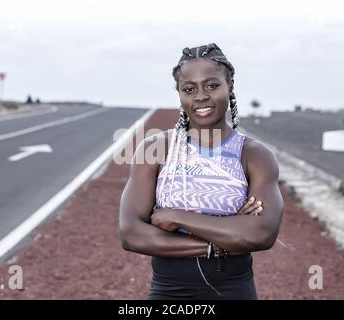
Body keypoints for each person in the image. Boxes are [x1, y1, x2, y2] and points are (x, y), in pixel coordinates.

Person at [119, 43, 284, 300]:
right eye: (189, 89)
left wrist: (176, 217)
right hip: (168, 292)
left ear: (230, 86)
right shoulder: (156, 148)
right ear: (179, 94)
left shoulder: (255, 155)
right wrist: (222, 240)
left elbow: (261, 234)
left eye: (211, 85)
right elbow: (131, 233)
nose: (200, 96)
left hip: (234, 291)